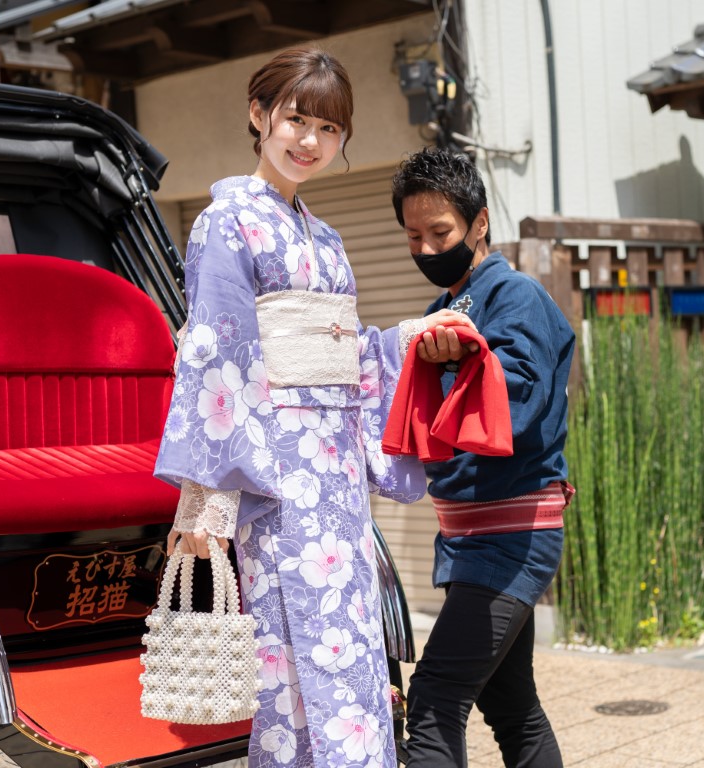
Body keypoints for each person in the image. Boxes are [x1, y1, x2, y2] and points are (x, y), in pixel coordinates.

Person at [153, 48, 473, 767]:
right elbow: (216, 352)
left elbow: (347, 355)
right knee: (292, 657)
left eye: (328, 130)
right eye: (296, 119)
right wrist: (207, 499)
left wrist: (403, 338)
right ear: (259, 115)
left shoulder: (326, 240)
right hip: (274, 478)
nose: (309, 141)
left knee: (352, 645)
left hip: (336, 480)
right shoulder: (225, 222)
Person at [390, 147, 576, 768]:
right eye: (413, 236)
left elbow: (517, 404)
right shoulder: (442, 310)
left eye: (439, 232)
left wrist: (456, 363)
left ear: (480, 223)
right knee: (511, 705)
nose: (425, 249)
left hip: (510, 534)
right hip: (472, 536)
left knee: (438, 697)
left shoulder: (515, 295)